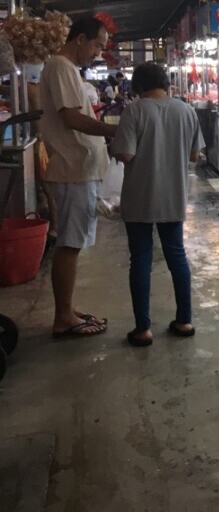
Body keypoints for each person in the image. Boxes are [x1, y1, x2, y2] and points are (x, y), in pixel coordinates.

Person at [111, 62, 204, 347]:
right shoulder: (186, 110)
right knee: (177, 255)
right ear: (165, 83)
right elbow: (194, 156)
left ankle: (143, 330)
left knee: (140, 259)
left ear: (138, 87)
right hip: (173, 195)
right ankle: (185, 321)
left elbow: (125, 155)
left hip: (140, 197)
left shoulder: (134, 110)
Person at [40, 17, 117, 337]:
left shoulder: (66, 69)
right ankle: (62, 318)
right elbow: (71, 118)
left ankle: (67, 309)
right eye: (97, 45)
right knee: (70, 245)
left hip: (80, 168)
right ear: (80, 39)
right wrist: (113, 130)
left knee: (73, 243)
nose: (98, 53)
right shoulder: (60, 66)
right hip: (74, 170)